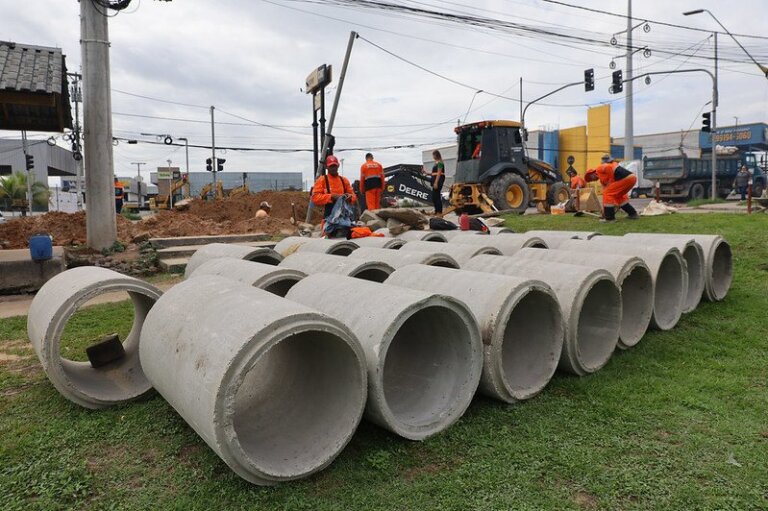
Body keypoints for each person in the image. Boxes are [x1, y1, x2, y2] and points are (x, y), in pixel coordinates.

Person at [585, 154, 639, 222]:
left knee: (608, 194)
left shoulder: (599, 169)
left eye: (591, 178)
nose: (593, 180)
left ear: (592, 173)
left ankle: (610, 218)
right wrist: (604, 211)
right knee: (618, 197)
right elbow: (606, 194)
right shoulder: (603, 179)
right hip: (631, 178)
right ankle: (632, 213)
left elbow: (608, 168)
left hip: (626, 178)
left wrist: (612, 180)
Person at [311, 155, 356, 236]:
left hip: (344, 218)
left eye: (335, 166)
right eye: (331, 166)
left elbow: (353, 196)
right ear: (327, 167)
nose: (333, 168)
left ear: (338, 166)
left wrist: (349, 198)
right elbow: (315, 198)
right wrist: (331, 197)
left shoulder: (344, 180)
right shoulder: (322, 180)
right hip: (329, 219)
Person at [430, 150, 445, 215]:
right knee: (434, 197)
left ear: (436, 155)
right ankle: (436, 211)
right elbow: (434, 173)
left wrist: (436, 182)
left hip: (438, 180)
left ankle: (439, 212)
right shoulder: (436, 163)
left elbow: (439, 173)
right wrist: (426, 173)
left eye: (433, 155)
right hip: (435, 179)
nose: (433, 157)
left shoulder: (440, 162)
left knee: (436, 196)